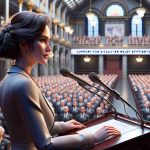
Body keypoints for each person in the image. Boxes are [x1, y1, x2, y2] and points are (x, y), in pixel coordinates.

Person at [0, 11, 120, 150]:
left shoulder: (9, 78)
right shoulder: (24, 83)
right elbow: (45, 145)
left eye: (49, 41)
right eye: (42, 40)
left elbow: (25, 128)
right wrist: (91, 137)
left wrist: (61, 126)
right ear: (24, 44)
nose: (49, 48)